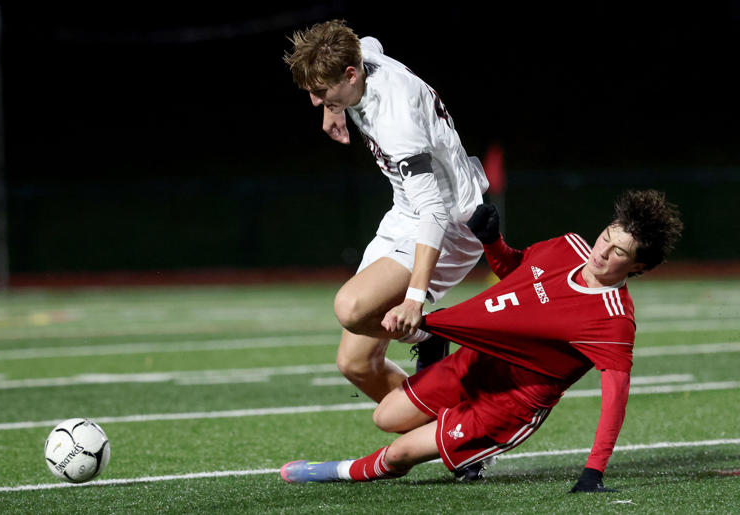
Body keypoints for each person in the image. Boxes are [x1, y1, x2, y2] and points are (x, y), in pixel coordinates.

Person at [280, 189, 683, 493]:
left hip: (509, 404)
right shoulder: (569, 246)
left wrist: (594, 471)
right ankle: (457, 442)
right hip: (477, 361)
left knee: (400, 453)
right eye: (606, 238)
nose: (602, 252)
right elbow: (514, 270)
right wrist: (492, 240)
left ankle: (336, 470)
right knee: (385, 417)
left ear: (639, 267)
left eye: (619, 253)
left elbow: (616, 399)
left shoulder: (613, 320)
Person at [284, 21, 488, 424]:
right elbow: (367, 40)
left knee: (351, 307)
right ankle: (456, 431)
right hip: (406, 213)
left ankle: (431, 335)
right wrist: (332, 106)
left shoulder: (395, 118)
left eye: (322, 91)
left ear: (350, 75)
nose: (315, 100)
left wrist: (414, 299)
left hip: (449, 223)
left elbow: (434, 212)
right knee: (355, 363)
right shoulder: (363, 57)